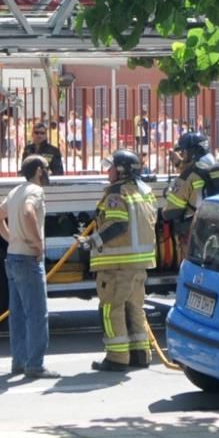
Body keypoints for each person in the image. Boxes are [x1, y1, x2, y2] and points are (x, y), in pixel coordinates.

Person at [76, 149, 158, 371]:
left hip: (117, 264)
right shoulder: (145, 191)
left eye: (110, 166)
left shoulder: (116, 194)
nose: (108, 171)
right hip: (140, 264)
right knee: (135, 307)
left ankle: (117, 357)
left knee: (112, 308)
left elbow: (117, 224)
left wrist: (92, 241)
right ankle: (141, 354)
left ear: (121, 170)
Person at [0, 155, 60, 379]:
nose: (48, 172)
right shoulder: (35, 191)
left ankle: (18, 362)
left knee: (18, 315)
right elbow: (29, 212)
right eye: (47, 168)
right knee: (38, 315)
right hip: (28, 260)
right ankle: (35, 365)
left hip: (12, 258)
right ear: (39, 170)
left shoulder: (15, 191)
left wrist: (12, 239)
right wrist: (36, 243)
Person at [162, 131, 219, 255]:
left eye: (184, 152)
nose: (183, 155)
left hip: (195, 232)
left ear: (193, 152)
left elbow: (172, 212)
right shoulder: (216, 167)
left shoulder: (189, 175)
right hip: (218, 227)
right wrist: (180, 164)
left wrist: (163, 214)